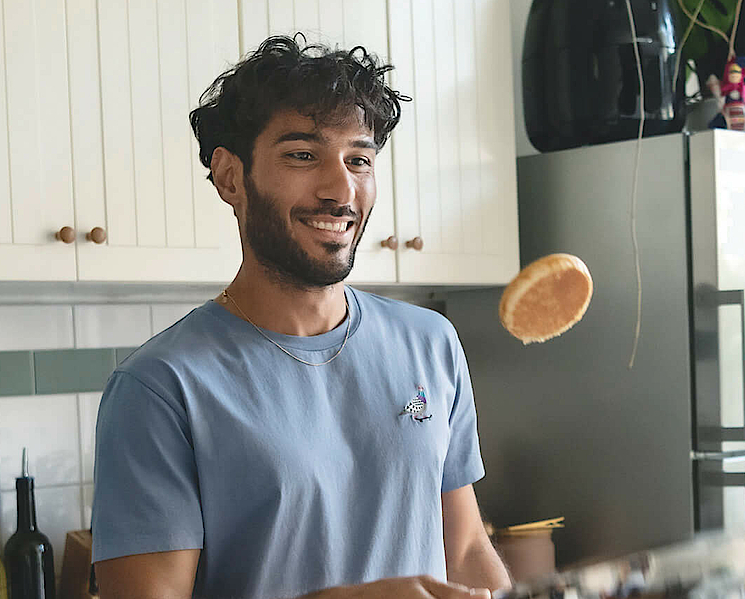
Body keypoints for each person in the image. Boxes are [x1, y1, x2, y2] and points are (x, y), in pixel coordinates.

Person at [89, 35, 513, 599]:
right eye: (302, 155)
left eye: (358, 160)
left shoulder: (430, 342)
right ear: (230, 177)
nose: (341, 190)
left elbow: (462, 548)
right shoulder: (160, 388)